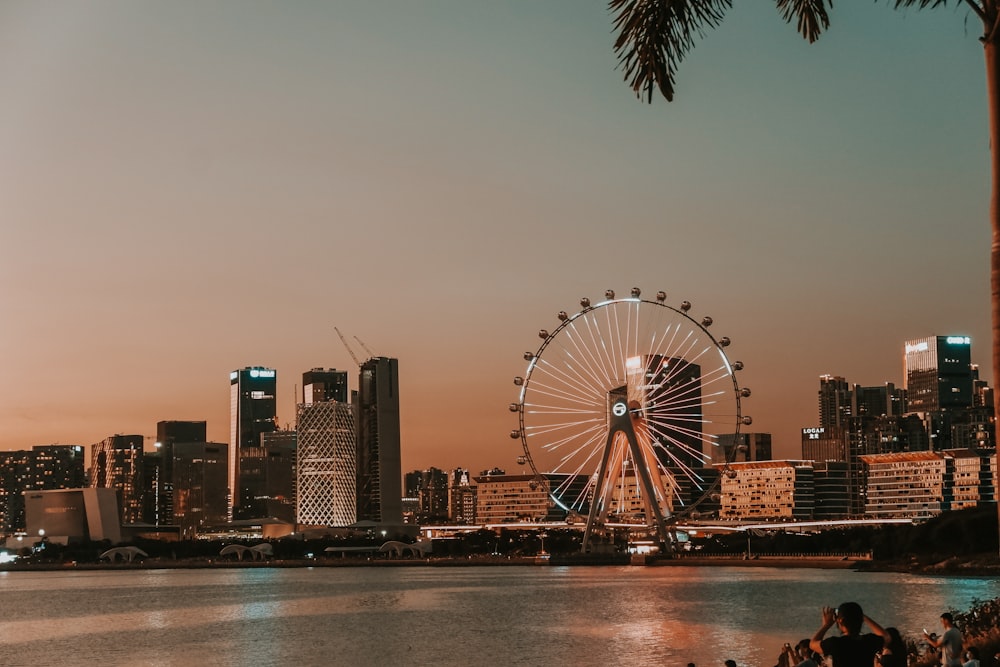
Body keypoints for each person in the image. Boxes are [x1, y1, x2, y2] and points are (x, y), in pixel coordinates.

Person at [809, 601, 887, 666]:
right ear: (860, 620)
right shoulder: (870, 641)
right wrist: (862, 616)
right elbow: (886, 637)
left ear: (841, 621)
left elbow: (812, 644)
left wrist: (827, 625)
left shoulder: (835, 643)